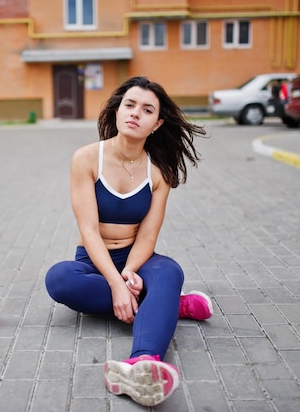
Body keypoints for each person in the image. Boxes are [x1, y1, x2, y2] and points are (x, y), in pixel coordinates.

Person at [44, 76, 212, 407]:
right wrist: (117, 285)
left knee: (169, 272)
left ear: (157, 123)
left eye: (147, 109)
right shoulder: (87, 158)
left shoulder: (160, 170)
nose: (136, 113)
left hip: (137, 258)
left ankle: (143, 364)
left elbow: (148, 235)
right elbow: (89, 230)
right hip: (93, 261)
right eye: (130, 104)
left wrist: (130, 273)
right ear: (118, 110)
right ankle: (168, 305)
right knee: (59, 280)